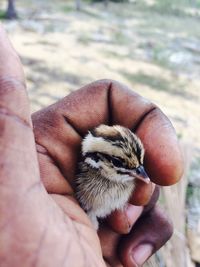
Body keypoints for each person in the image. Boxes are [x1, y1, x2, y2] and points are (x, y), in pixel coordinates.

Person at [0, 25, 183, 267]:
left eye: (138, 165)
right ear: (97, 160)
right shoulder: (78, 175)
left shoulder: (126, 180)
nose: (140, 173)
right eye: (119, 164)